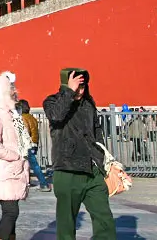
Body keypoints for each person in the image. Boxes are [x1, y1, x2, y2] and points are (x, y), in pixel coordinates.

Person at [44, 70, 116, 239]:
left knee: (104, 219)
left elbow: (97, 134)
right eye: (77, 87)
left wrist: (103, 159)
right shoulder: (52, 102)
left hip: (93, 172)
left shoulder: (88, 105)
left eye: (83, 87)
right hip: (68, 170)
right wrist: (69, 91)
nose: (80, 91)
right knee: (66, 224)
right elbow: (56, 116)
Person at [0, 76, 31, 240]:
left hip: (14, 169)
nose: (14, 92)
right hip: (4, 170)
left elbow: (22, 138)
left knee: (12, 213)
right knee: (11, 212)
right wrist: (17, 156)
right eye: (11, 90)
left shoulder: (13, 113)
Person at [19, 99, 51, 191]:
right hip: (34, 143)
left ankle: (43, 184)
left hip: (27, 144)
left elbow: (25, 132)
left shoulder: (22, 118)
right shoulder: (31, 117)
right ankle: (27, 181)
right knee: (28, 163)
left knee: (34, 164)